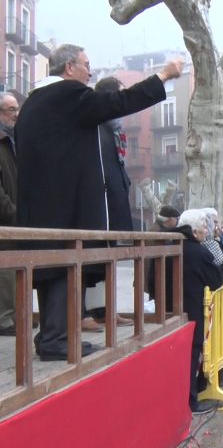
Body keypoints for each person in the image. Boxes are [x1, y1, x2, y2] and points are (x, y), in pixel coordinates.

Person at [15, 43, 183, 360]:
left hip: (43, 206)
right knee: (63, 269)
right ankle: (55, 340)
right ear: (69, 68)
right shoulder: (66, 96)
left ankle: (55, 336)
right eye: (86, 64)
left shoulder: (36, 102)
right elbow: (118, 101)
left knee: (55, 273)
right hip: (64, 208)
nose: (90, 71)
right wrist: (163, 76)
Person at [84, 76, 135, 327]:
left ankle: (106, 311)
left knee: (108, 262)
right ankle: (86, 314)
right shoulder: (95, 128)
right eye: (120, 96)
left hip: (112, 206)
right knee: (89, 264)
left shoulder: (113, 131)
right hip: (99, 209)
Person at [175, 209, 223, 414]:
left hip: (169, 310)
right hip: (193, 310)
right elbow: (216, 280)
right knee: (192, 355)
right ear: (194, 232)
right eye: (204, 227)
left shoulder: (170, 246)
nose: (207, 231)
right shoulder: (200, 251)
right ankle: (191, 402)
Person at [0, 93, 18, 336]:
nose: (15, 114)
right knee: (5, 271)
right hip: (5, 220)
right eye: (10, 110)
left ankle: (13, 318)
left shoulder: (12, 141)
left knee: (13, 270)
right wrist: (13, 212)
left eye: (16, 109)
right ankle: (5, 321)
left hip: (13, 219)